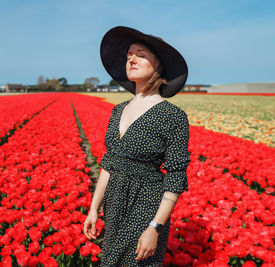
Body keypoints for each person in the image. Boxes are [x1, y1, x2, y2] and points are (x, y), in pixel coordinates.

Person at [83, 26, 190, 266]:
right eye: (129, 54)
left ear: (158, 65)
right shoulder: (118, 110)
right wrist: (94, 209)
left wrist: (155, 227)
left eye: (140, 54)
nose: (131, 58)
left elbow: (175, 176)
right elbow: (109, 163)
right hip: (115, 204)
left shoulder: (172, 116)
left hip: (146, 205)